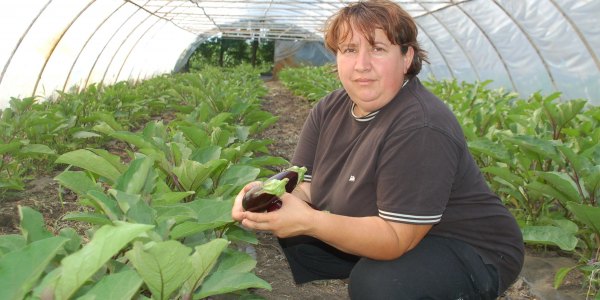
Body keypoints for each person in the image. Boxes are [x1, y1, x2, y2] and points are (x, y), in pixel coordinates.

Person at [232, 0, 524, 298]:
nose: (361, 65)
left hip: (467, 246)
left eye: (378, 49)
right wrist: (265, 195)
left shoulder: (420, 125)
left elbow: (397, 237)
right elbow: (305, 186)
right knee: (296, 240)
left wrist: (311, 221)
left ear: (407, 57)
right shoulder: (329, 108)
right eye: (349, 50)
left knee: (380, 284)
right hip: (389, 223)